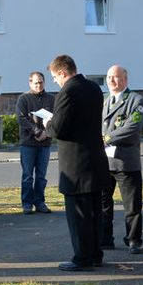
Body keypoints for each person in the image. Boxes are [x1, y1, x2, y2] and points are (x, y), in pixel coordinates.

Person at [44, 54, 109, 271]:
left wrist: (47, 122)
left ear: (63, 72)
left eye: (55, 76)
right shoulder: (93, 88)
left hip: (76, 163)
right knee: (94, 213)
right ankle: (95, 254)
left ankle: (82, 258)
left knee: (78, 214)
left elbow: (58, 128)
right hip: (95, 159)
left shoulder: (68, 91)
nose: (55, 81)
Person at [101, 65, 143, 254]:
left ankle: (133, 240)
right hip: (104, 161)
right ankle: (105, 239)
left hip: (126, 161)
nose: (112, 80)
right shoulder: (104, 101)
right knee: (103, 204)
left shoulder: (136, 100)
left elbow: (132, 127)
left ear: (125, 80)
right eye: (109, 77)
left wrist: (107, 138)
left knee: (132, 205)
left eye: (116, 77)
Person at [15, 71, 55, 214]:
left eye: (41, 82)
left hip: (45, 144)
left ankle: (40, 202)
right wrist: (37, 132)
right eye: (36, 82)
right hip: (28, 144)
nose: (39, 85)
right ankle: (27, 204)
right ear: (30, 83)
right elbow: (22, 119)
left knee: (41, 175)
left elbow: (56, 119)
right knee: (27, 175)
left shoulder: (51, 99)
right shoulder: (23, 99)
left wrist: (46, 134)